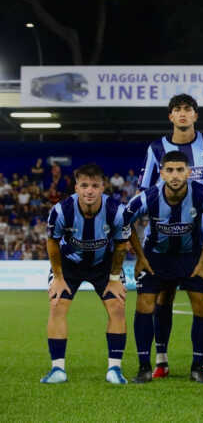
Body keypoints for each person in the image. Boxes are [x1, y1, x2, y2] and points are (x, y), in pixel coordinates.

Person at [137, 93, 203, 379]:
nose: (183, 114)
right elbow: (145, 191)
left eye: (188, 109)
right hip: (161, 239)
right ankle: (160, 360)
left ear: (196, 115)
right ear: (171, 117)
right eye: (177, 110)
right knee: (163, 299)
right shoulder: (156, 148)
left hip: (199, 242)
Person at [121, 151, 203, 384]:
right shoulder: (147, 198)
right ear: (162, 173)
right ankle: (145, 366)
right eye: (170, 170)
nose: (175, 175)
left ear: (188, 172)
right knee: (146, 304)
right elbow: (124, 220)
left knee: (202, 305)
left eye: (180, 170)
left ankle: (197, 367)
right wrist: (140, 257)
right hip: (156, 257)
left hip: (190, 257)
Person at [41, 164, 129, 384]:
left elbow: (121, 245)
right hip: (69, 265)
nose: (89, 190)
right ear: (76, 187)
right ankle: (57, 370)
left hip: (104, 265)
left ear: (103, 187)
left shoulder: (117, 211)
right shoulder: (61, 210)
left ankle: (114, 370)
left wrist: (115, 279)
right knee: (57, 304)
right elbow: (52, 243)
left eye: (95, 186)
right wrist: (59, 278)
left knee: (117, 306)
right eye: (84, 185)